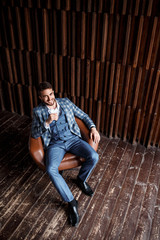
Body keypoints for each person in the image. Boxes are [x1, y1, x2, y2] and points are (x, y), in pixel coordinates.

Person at [31, 82, 100, 226]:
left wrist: (93, 128)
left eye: (51, 94)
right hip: (55, 144)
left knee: (94, 156)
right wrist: (47, 122)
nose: (50, 99)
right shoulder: (38, 111)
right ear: (40, 98)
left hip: (72, 139)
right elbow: (34, 133)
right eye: (45, 97)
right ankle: (71, 202)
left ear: (53, 92)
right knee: (50, 169)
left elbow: (83, 115)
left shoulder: (66, 103)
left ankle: (81, 180)